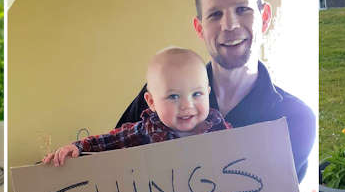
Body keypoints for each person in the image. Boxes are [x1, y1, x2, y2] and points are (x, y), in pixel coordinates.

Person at [44, 0, 318, 192]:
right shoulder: (162, 97)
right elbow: (115, 173)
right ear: (199, 27)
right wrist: (77, 155)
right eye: (215, 14)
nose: (230, 25)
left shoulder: (294, 120)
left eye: (243, 9)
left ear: (264, 16)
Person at [41, 48, 229, 166]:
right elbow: (108, 141)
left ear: (208, 92)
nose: (187, 106)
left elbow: (242, 155)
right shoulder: (146, 130)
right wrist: (77, 147)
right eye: (173, 96)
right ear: (151, 102)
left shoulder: (219, 127)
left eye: (197, 94)